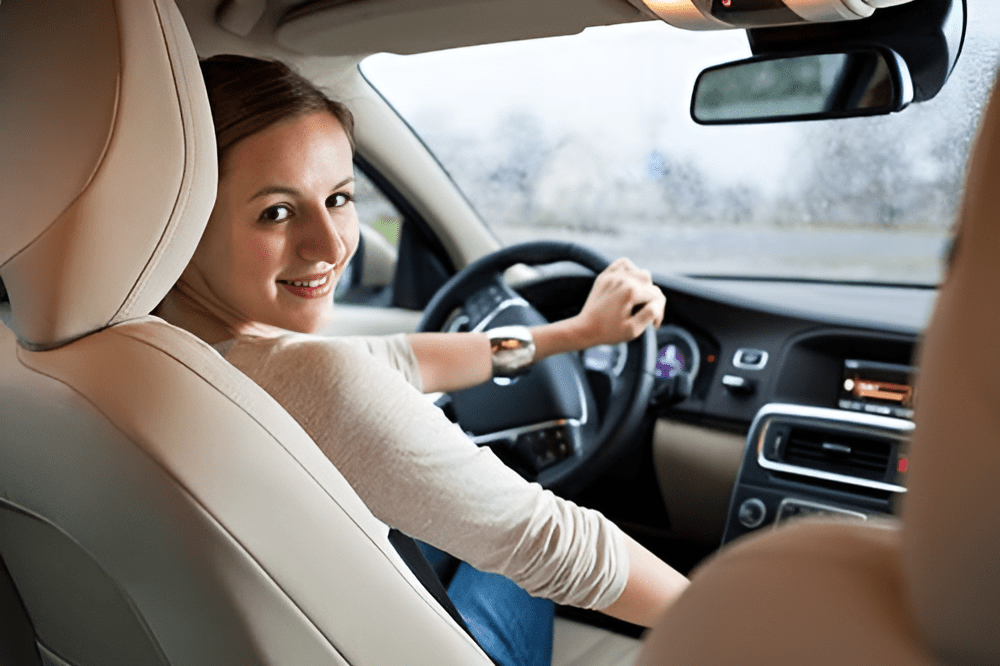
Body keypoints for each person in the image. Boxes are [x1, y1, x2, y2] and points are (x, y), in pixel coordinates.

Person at [157, 54, 688, 666]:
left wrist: (571, 334)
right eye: (276, 211)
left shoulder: (137, 353)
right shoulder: (304, 380)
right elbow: (549, 543)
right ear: (181, 215)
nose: (331, 247)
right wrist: (753, 621)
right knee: (514, 515)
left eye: (338, 198)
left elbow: (397, 359)